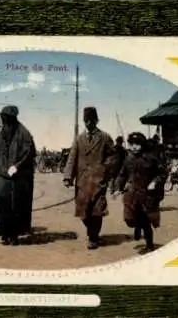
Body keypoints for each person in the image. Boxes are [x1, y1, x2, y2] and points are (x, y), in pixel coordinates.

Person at [63, 107, 115, 250]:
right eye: (86, 121)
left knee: (97, 211)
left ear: (97, 120)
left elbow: (113, 156)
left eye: (91, 120)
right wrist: (68, 176)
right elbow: (72, 157)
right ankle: (92, 231)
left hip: (98, 181)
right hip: (82, 181)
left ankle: (93, 238)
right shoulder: (79, 139)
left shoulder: (105, 137)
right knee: (83, 213)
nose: (89, 123)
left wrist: (104, 169)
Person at [0, 105, 36, 245]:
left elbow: (29, 153)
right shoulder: (3, 132)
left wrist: (17, 166)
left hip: (18, 178)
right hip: (2, 176)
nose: (2, 119)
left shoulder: (24, 133)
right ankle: (4, 233)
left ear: (11, 117)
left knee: (16, 207)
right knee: (1, 206)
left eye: (4, 117)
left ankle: (14, 235)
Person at [114, 132, 168, 252]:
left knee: (146, 221)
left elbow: (163, 173)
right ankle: (136, 226)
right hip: (132, 195)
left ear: (142, 145)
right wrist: (118, 188)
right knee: (129, 219)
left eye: (137, 144)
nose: (134, 147)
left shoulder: (151, 158)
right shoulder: (128, 159)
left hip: (147, 195)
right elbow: (122, 175)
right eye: (132, 144)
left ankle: (149, 245)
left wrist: (155, 182)